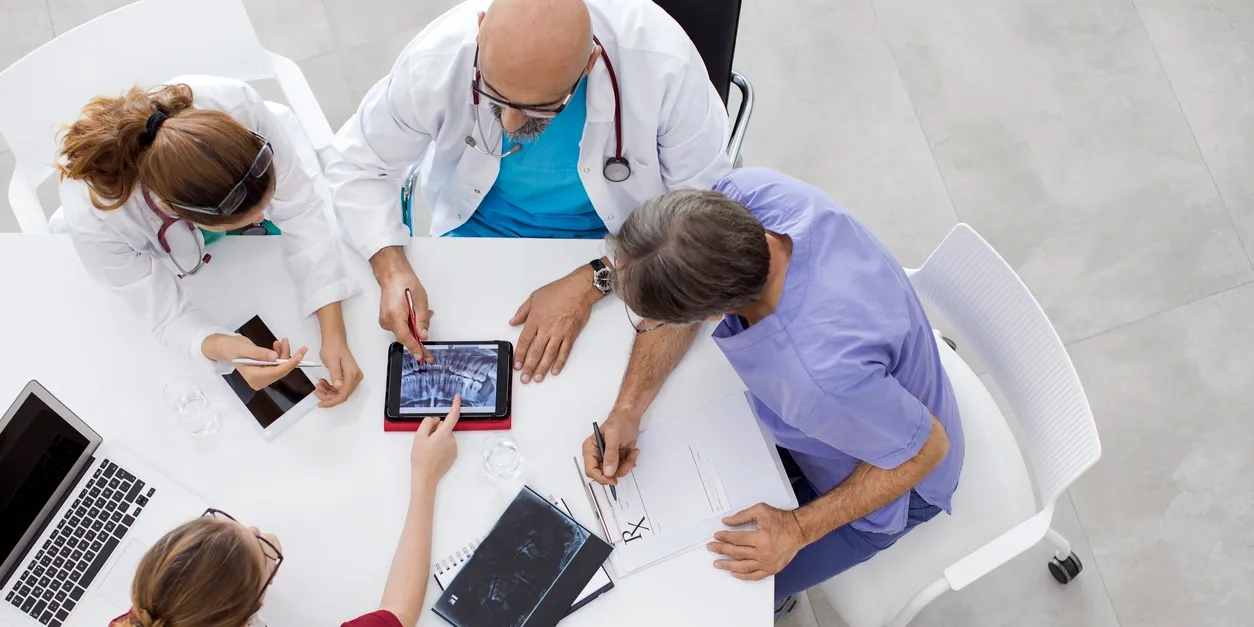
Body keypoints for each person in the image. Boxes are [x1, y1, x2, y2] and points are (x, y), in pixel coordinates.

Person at [581, 168, 965, 615]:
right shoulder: (748, 195)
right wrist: (628, 408)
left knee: (701, 599)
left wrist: (797, 529)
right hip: (862, 410)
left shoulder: (815, 375)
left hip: (899, 479)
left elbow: (927, 449)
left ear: (711, 315)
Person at [326, 0, 730, 384]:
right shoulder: (436, 59)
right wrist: (392, 268)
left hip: (627, 251)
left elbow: (699, 223)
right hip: (474, 239)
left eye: (540, 109)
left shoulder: (664, 65)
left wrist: (595, 278)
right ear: (481, 29)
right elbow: (356, 164)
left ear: (588, 65)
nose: (512, 123)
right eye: (494, 95)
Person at [59, 76, 362, 405]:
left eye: (264, 207)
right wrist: (227, 348)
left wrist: (334, 333)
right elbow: (166, 317)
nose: (264, 218)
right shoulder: (96, 220)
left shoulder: (236, 108)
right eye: (252, 218)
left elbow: (300, 212)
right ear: (171, 211)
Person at [108, 397, 463, 627]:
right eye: (265, 551)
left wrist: (254, 564)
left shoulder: (144, 617)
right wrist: (424, 478)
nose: (261, 530)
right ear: (247, 612)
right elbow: (396, 615)